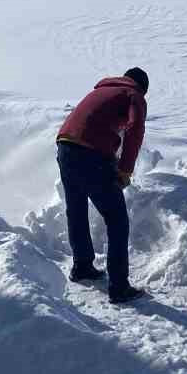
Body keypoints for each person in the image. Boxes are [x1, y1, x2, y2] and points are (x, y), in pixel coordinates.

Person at [56, 67, 150, 304]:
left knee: (76, 208)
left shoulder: (103, 90)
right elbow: (135, 130)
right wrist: (125, 170)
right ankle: (119, 287)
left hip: (66, 146)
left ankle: (82, 266)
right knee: (116, 218)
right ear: (142, 87)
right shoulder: (133, 95)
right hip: (90, 154)